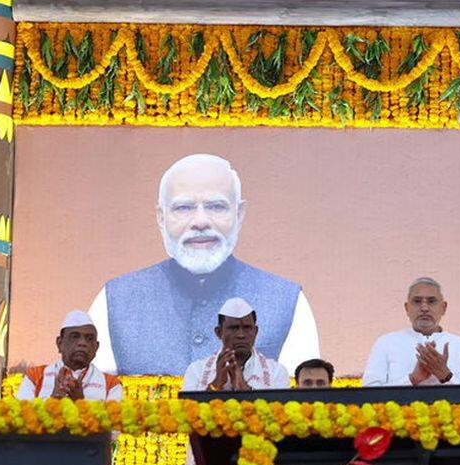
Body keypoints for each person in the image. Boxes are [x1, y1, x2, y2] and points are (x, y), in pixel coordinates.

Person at [89, 154, 318, 376]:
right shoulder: (112, 300)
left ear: (239, 214)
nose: (200, 221)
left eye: (216, 207)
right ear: (161, 217)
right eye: (183, 208)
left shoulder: (289, 301)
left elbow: (306, 405)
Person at [360, 277, 460, 387]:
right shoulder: (386, 343)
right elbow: (369, 393)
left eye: (431, 301)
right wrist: (412, 379)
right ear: (407, 308)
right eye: (417, 301)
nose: (424, 308)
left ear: (443, 308)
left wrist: (445, 375)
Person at [181, 299, 291, 393]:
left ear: (255, 332)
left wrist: (244, 389)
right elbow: (189, 413)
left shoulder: (276, 372)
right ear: (219, 332)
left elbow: (277, 414)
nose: (241, 335)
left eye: (247, 328)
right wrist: (215, 385)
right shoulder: (196, 371)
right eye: (234, 328)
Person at [16, 311, 124, 402]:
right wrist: (53, 402)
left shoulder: (111, 384)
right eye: (75, 337)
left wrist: (80, 404)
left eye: (89, 338)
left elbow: (114, 426)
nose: (82, 343)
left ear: (96, 347)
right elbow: (19, 422)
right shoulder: (35, 376)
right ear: (59, 343)